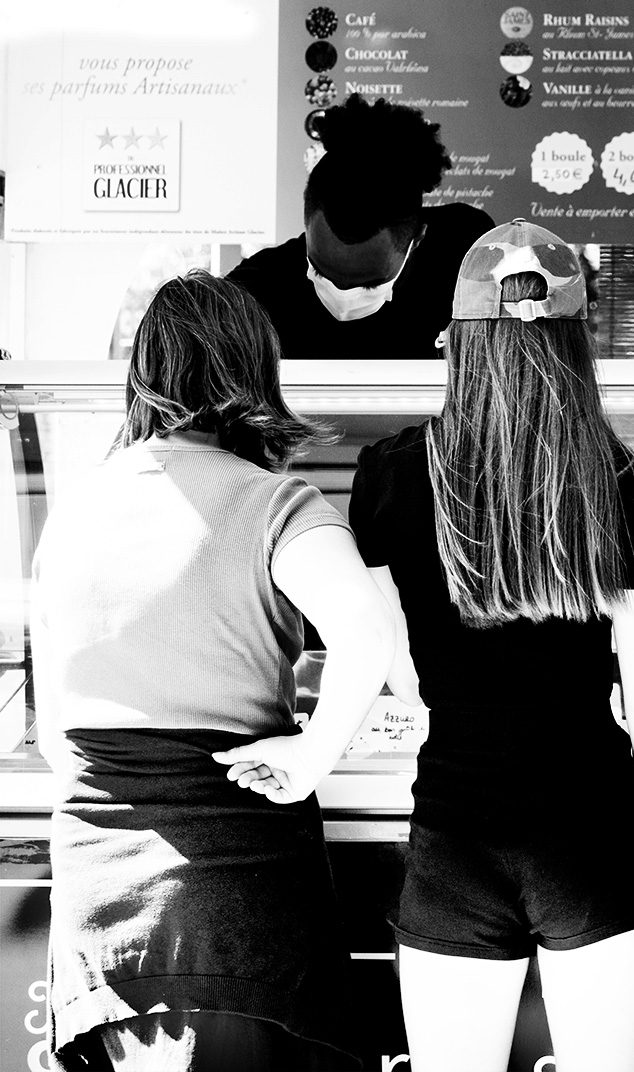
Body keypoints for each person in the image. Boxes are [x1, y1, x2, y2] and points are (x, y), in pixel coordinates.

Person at [32, 272, 396, 1071]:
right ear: (253, 369)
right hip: (235, 901)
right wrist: (311, 756)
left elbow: (57, 730)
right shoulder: (272, 504)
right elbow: (368, 637)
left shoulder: (74, 513)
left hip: (99, 915)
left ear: (144, 372)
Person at [346, 219, 634, 1072]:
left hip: (455, 837)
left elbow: (398, 666)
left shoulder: (391, 473)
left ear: (458, 341)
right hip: (595, 841)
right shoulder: (621, 480)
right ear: (577, 345)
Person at [228, 94, 495, 359]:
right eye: (320, 273)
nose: (342, 299)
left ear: (417, 240)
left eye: (370, 285)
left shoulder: (466, 259)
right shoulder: (255, 294)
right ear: (306, 223)